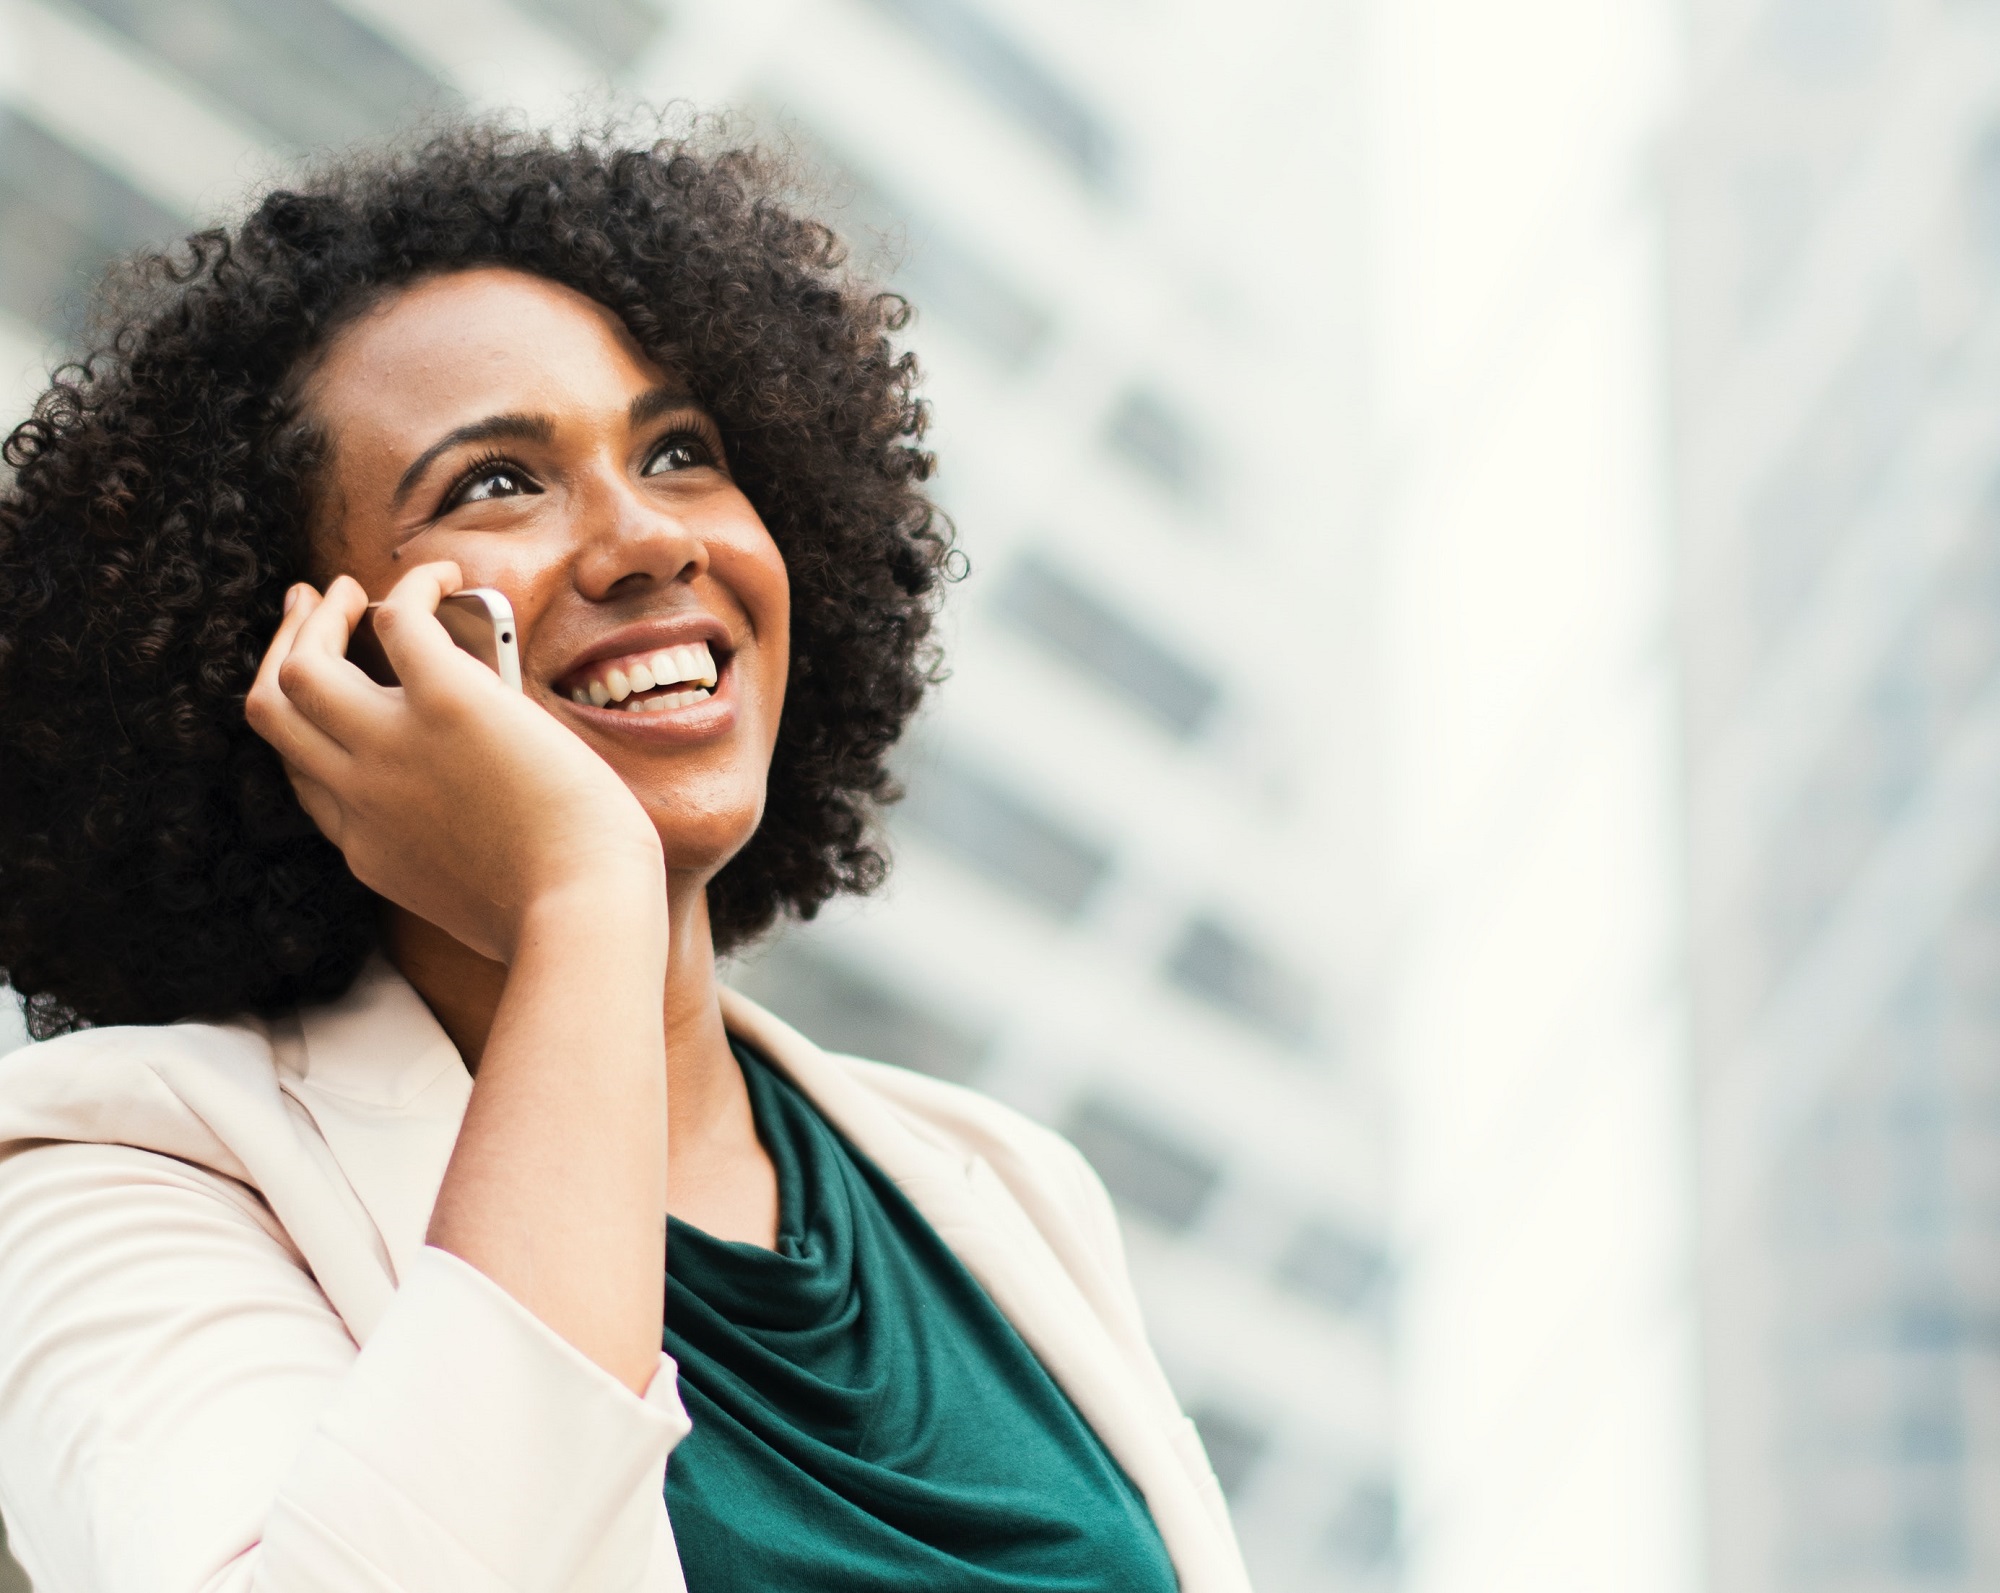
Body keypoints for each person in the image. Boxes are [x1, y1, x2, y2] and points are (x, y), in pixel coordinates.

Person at [0, 122, 1249, 1592]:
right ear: (306, 654)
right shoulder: (104, 1177)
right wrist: (576, 902)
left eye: (680, 453)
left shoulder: (1003, 1184)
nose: (647, 536)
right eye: (493, 486)